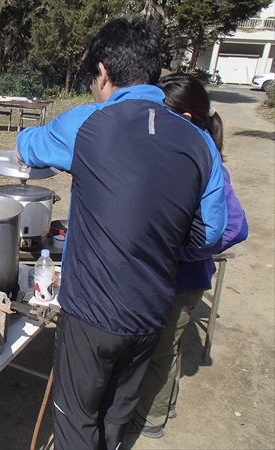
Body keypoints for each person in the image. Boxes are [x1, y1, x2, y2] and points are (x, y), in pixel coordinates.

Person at [15, 18, 228, 450]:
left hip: (90, 312)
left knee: (76, 419)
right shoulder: (198, 140)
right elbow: (212, 234)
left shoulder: (87, 123)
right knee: (116, 413)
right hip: (152, 309)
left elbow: (28, 145)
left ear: (104, 73)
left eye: (92, 79)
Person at [129, 73, 249, 439]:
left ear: (185, 120)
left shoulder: (206, 166)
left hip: (181, 280)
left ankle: (150, 419)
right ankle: (167, 401)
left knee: (161, 351)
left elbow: (234, 228)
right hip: (163, 278)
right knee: (166, 346)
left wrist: (180, 251)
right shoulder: (174, 157)